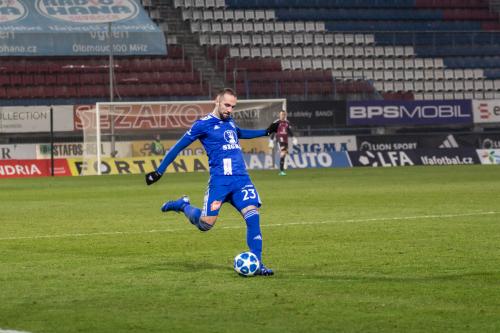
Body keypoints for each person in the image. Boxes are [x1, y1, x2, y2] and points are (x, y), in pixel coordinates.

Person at [145, 88, 279, 276]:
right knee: (206, 224)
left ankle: (257, 264)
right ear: (217, 101)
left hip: (241, 180)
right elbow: (177, 147)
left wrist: (265, 132)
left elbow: (239, 133)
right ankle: (183, 206)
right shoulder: (202, 125)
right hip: (220, 182)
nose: (230, 109)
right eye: (227, 105)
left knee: (253, 217)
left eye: (233, 106)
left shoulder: (230, 122)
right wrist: (159, 172)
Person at [269, 110, 297, 176]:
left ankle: (281, 171)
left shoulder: (287, 123)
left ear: (285, 115)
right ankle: (281, 171)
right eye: (281, 114)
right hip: (279, 140)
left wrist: (293, 138)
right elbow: (272, 131)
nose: (282, 116)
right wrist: (271, 141)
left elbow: (289, 131)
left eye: (284, 115)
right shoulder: (276, 122)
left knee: (283, 155)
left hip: (285, 140)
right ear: (279, 115)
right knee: (283, 152)